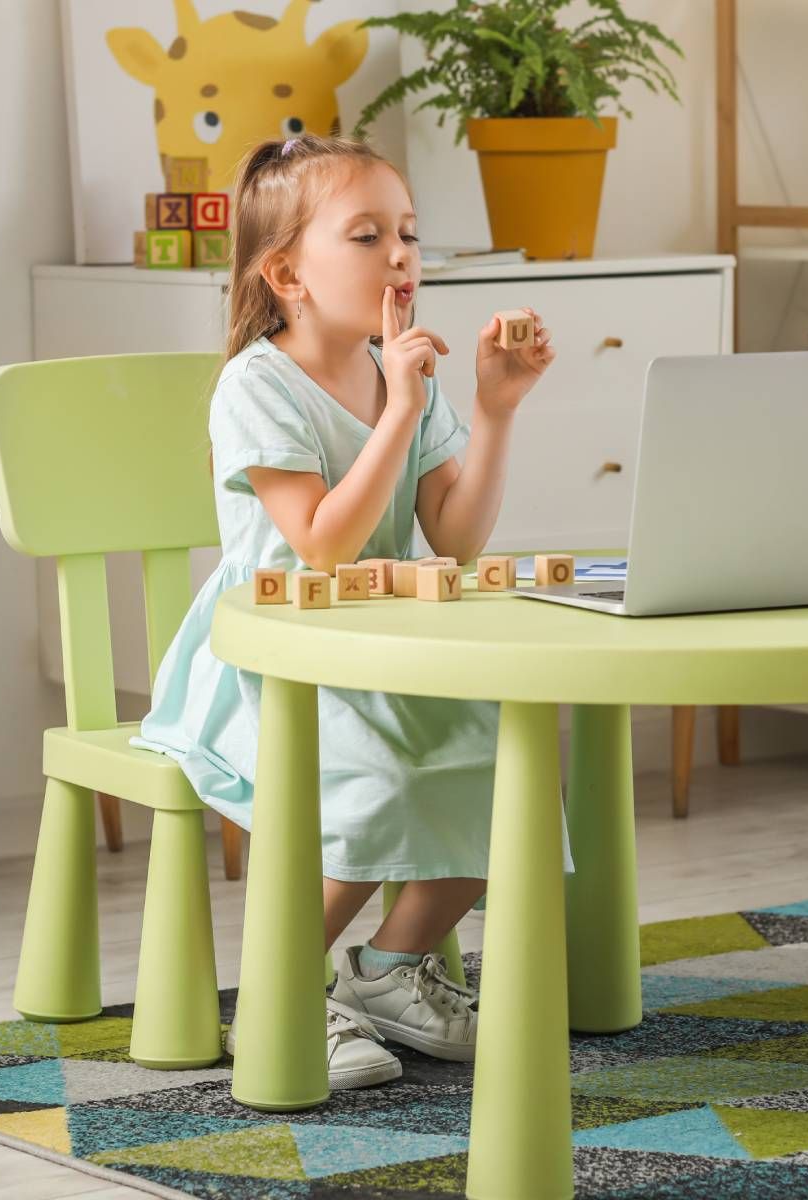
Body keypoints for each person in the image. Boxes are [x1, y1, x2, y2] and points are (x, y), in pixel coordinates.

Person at [131, 133, 557, 1090]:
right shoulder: (258, 384)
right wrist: (401, 411)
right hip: (270, 659)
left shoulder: (399, 372)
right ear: (286, 272)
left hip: (385, 650)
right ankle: (284, 988)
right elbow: (321, 541)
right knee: (371, 778)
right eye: (368, 235)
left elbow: (453, 539)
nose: (400, 256)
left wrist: (492, 411)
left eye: (408, 234)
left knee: (506, 771)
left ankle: (389, 970)